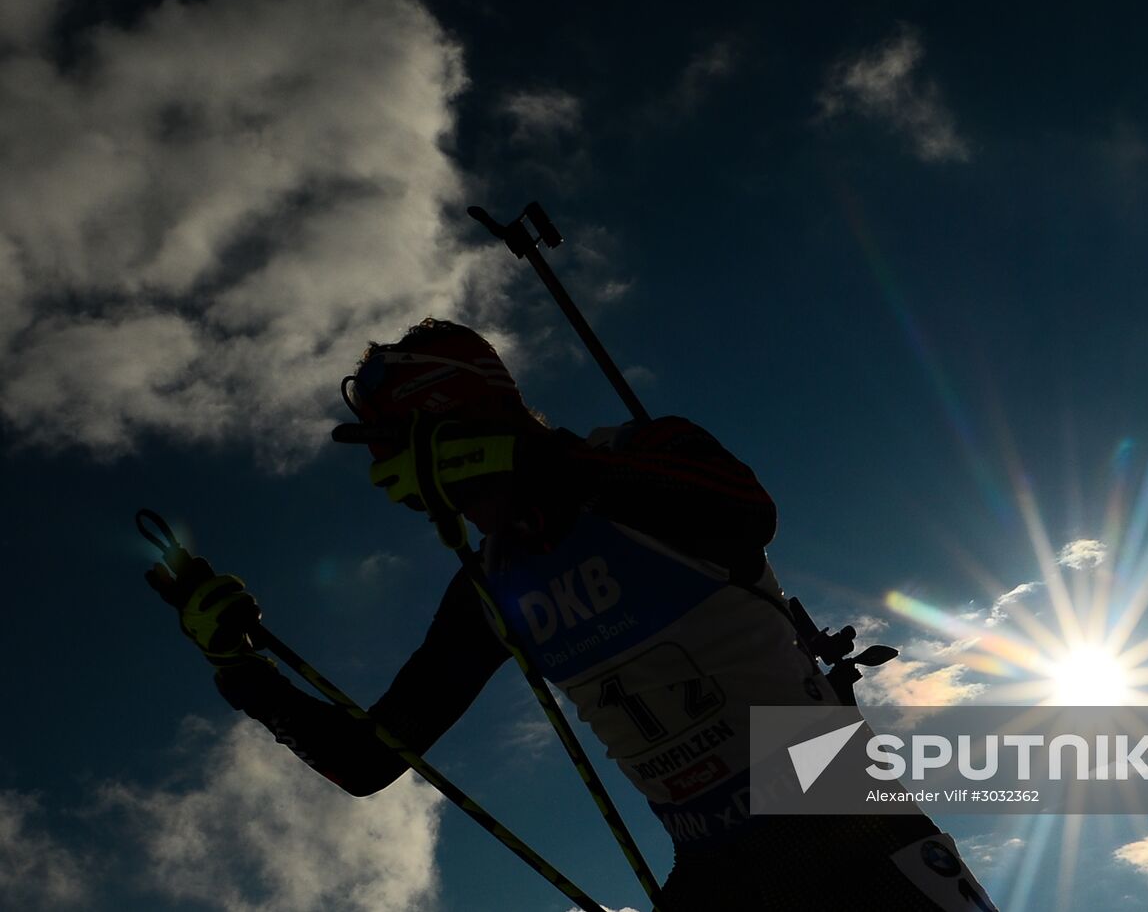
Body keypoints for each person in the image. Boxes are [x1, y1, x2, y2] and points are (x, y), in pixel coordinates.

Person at [147, 318, 997, 911]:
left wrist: (545, 462)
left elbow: (745, 514)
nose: (385, 476)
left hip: (842, 816)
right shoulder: (488, 585)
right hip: (715, 870)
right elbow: (373, 760)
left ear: (452, 423)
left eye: (390, 445)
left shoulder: (640, 457)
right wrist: (242, 667)